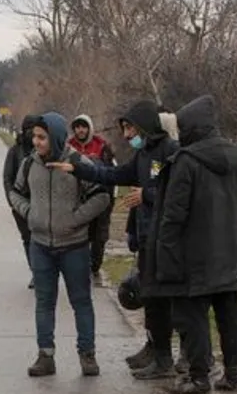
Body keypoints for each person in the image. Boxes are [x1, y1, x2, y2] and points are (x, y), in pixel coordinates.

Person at [50, 101, 187, 379]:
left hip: (168, 240)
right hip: (148, 238)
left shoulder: (170, 152)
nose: (127, 135)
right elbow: (112, 174)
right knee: (152, 298)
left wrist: (147, 196)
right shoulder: (144, 155)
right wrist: (79, 167)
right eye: (124, 129)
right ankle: (157, 352)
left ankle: (170, 359)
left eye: (130, 128)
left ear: (146, 125)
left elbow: (178, 192)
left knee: (166, 301)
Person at [149, 95, 237, 394]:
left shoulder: (186, 162)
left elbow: (173, 215)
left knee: (191, 317)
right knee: (230, 317)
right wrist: (233, 236)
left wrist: (166, 254)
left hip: (192, 256)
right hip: (229, 254)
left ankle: (198, 377)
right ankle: (234, 375)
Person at [9, 112, 112, 377]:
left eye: (42, 137)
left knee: (81, 302)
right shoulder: (29, 165)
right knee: (44, 302)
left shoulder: (78, 162)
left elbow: (101, 197)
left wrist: (75, 220)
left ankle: (87, 354)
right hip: (41, 245)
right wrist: (30, 213)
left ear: (55, 137)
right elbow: (15, 192)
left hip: (74, 246)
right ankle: (46, 356)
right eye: (34, 137)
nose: (36, 142)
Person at [68, 115, 116, 283]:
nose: (81, 130)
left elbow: (112, 173)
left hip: (100, 197)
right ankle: (80, 267)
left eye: (84, 127)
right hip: (78, 199)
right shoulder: (69, 146)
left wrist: (110, 198)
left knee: (99, 236)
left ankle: (95, 268)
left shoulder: (102, 146)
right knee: (80, 234)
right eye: (77, 127)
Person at [3, 114, 43, 290]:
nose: (32, 135)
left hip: (42, 203)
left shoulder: (43, 149)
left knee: (42, 238)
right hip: (21, 205)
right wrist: (13, 202)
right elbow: (7, 178)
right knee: (28, 238)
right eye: (29, 131)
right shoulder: (15, 151)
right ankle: (36, 272)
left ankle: (44, 272)